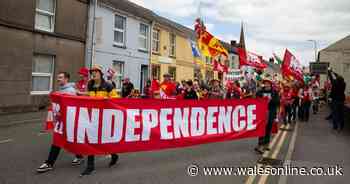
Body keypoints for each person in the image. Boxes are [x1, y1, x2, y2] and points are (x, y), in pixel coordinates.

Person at [37, 72, 83, 173]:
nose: (58, 79)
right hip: (61, 121)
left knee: (58, 141)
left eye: (60, 77)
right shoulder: (60, 91)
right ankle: (79, 156)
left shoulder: (70, 91)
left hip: (68, 121)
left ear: (66, 79)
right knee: (65, 140)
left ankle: (49, 163)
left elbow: (73, 107)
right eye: (58, 77)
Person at [82, 64, 120, 176]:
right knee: (91, 139)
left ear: (100, 73)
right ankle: (90, 166)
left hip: (105, 117)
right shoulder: (90, 84)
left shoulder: (108, 85)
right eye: (92, 72)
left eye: (96, 71)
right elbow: (89, 96)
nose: (93, 73)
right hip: (92, 116)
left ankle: (114, 155)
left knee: (104, 139)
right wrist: (80, 94)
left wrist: (107, 98)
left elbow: (117, 99)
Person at [255, 79, 280, 154]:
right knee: (262, 128)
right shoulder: (260, 91)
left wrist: (270, 100)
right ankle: (260, 145)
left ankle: (266, 144)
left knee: (268, 128)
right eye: (265, 83)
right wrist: (262, 100)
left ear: (270, 84)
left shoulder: (274, 92)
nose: (266, 84)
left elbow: (277, 102)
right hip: (262, 112)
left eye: (268, 83)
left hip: (271, 112)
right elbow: (257, 99)